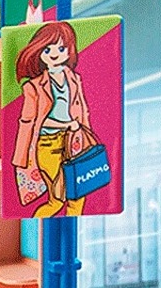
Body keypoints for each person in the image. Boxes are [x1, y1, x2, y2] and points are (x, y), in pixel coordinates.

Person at [11, 19, 99, 217]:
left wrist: (86, 138)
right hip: (47, 144)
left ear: (69, 51)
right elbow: (32, 120)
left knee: (78, 195)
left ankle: (68, 227)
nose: (54, 54)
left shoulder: (74, 78)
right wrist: (68, 124)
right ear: (39, 52)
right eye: (47, 49)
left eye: (61, 48)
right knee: (57, 199)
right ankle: (35, 227)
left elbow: (82, 110)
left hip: (73, 141)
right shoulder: (33, 86)